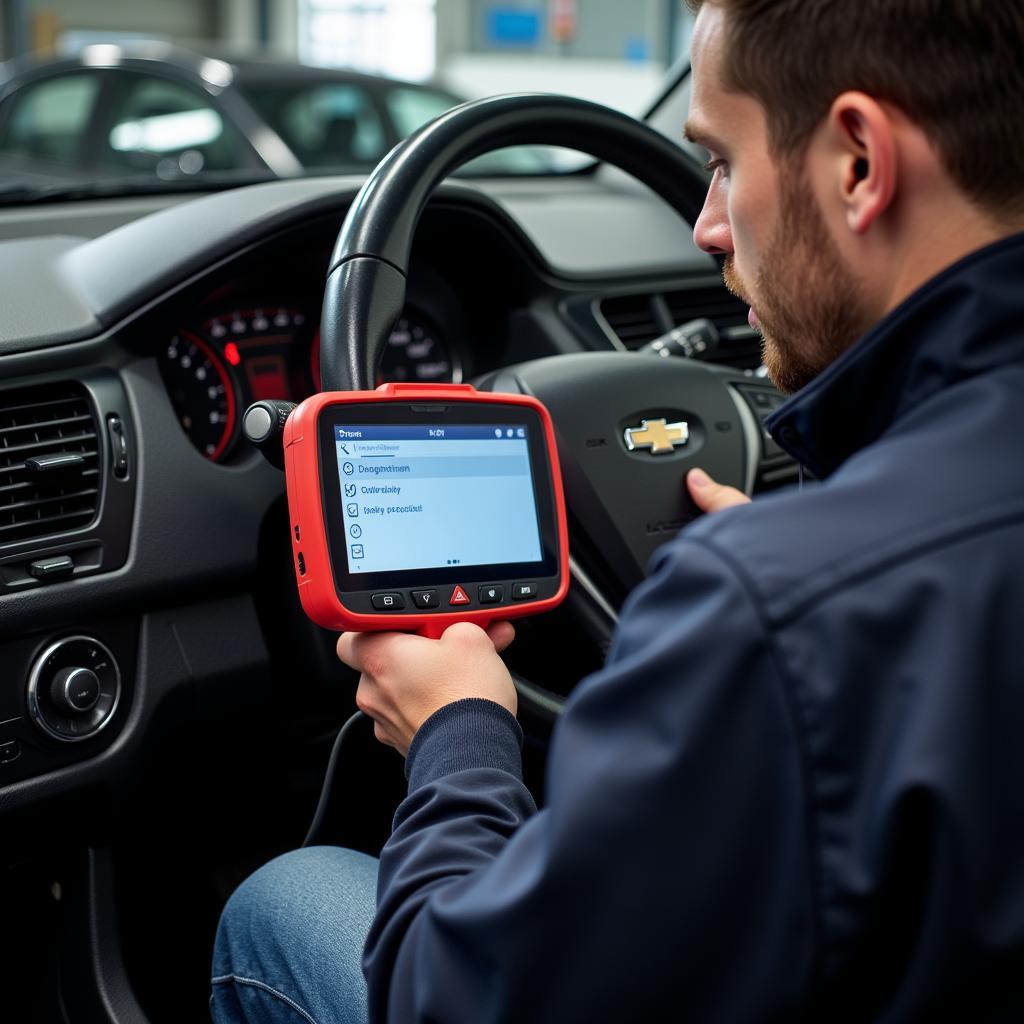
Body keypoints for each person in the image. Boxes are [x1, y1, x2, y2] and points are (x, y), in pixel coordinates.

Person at [211, 0, 1024, 1020]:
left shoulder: (768, 614)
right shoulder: (817, 590)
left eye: (722, 162)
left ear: (857, 161)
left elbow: (450, 998)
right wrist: (780, 584)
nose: (706, 226)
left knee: (275, 901)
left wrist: (457, 731)